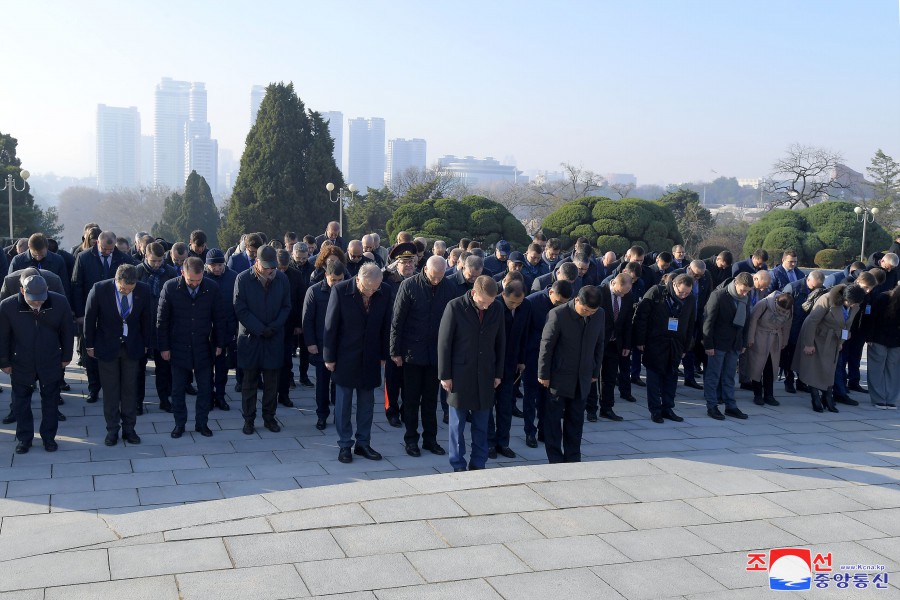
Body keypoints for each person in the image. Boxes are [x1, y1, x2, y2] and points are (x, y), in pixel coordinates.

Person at [323, 262, 391, 463]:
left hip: (370, 356)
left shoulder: (384, 291)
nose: (371, 293)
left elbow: (387, 324)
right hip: (345, 356)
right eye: (367, 288)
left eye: (375, 288)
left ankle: (363, 443)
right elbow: (330, 326)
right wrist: (329, 357)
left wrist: (384, 354)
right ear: (358, 279)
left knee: (367, 403)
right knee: (343, 403)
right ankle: (345, 444)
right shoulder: (340, 290)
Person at [390, 255, 456, 457]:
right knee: (410, 400)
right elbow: (397, 320)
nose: (436, 280)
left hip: (435, 355)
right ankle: (411, 439)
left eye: (441, 276)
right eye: (433, 276)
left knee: (430, 400)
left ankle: (430, 439)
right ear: (425, 269)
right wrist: (395, 351)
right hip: (412, 353)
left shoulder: (449, 287)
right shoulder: (409, 286)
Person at [438, 275, 505, 471]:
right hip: (459, 375)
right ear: (474, 293)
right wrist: (445, 375)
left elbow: (501, 343)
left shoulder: (497, 308)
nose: (486, 307)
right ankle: (457, 463)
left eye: (490, 303)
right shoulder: (455, 307)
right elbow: (444, 343)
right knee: (457, 425)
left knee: (481, 424)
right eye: (483, 302)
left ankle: (478, 463)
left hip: (485, 374)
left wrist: (498, 373)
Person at [0, 275, 73, 453]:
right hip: (21, 361)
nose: (37, 304)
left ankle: (49, 438)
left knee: (50, 401)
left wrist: (66, 357)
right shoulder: (8, 306)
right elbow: (3, 337)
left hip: (50, 359)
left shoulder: (60, 302)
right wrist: (4, 361)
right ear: (22, 291)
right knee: (20, 402)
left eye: (41, 300)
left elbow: (67, 332)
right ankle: (24, 439)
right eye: (32, 300)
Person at [157, 257, 225, 438]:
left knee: (205, 388)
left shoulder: (212, 288)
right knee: (178, 389)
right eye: (191, 280)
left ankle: (202, 423)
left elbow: (219, 318)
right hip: (178, 345)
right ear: (182, 273)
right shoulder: (170, 287)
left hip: (204, 346)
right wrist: (164, 347)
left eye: (198, 280)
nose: (195, 284)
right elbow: (162, 321)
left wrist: (219, 343)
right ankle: (179, 424)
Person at [84, 264, 152, 446]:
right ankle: (112, 429)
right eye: (123, 289)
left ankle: (129, 429)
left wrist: (146, 344)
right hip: (107, 346)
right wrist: (89, 345)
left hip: (132, 346)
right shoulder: (100, 289)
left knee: (130, 389)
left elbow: (147, 319)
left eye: (130, 289)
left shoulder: (143, 290)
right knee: (111, 390)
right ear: (116, 280)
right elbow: (90, 318)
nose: (126, 292)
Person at [538, 285, 604, 463]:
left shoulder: (599, 315)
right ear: (577, 300)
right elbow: (546, 346)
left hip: (582, 377)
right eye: (585, 310)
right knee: (553, 421)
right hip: (559, 377)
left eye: (592, 311)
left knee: (575, 421)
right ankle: (554, 458)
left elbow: (599, 343)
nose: (588, 314)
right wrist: (543, 374)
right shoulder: (558, 315)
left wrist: (595, 371)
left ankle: (573, 457)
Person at [234, 246, 292, 434]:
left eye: (273, 267)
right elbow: (240, 308)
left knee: (271, 382)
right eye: (266, 267)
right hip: (251, 339)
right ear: (256, 262)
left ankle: (269, 417)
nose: (270, 271)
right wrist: (259, 328)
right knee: (249, 382)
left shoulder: (282, 279)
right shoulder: (243, 279)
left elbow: (286, 307)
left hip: (273, 338)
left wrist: (273, 327)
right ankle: (248, 419)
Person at [72, 231, 133, 403]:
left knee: (113, 353)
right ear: (97, 242)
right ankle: (93, 388)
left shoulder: (124, 259)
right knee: (91, 352)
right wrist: (79, 314)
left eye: (110, 249)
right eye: (104, 249)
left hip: (116, 315)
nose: (107, 252)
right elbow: (77, 285)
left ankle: (114, 388)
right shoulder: (84, 258)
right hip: (91, 313)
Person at [633, 274, 696, 424]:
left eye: (687, 293)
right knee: (654, 378)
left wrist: (687, 346)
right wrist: (640, 340)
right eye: (681, 292)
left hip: (676, 344)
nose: (684, 295)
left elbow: (691, 323)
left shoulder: (690, 299)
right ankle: (655, 410)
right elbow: (641, 317)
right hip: (655, 342)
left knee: (671, 377)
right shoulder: (657, 292)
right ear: (673, 284)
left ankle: (667, 407)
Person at [793, 284, 865, 413]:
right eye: (852, 303)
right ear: (845, 298)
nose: (854, 306)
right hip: (817, 335)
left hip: (833, 339)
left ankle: (827, 396)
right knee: (814, 368)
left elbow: (847, 325)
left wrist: (842, 342)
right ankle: (815, 397)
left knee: (830, 369)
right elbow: (812, 321)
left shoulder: (855, 304)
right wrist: (808, 344)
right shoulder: (827, 299)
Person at [522, 280, 572, 447]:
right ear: (551, 292)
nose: (560, 306)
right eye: (558, 302)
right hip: (533, 357)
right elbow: (524, 332)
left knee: (548, 397)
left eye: (564, 304)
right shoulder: (532, 302)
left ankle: (545, 430)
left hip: (555, 359)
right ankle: (530, 432)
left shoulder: (568, 306)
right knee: (531, 396)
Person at [488, 280, 531, 459]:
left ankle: (503, 442)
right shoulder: (493, 305)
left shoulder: (526, 307)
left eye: (518, 303)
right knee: (488, 406)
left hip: (511, 364)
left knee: (506, 405)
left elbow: (524, 334)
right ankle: (489, 443)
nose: (515, 306)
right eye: (512, 302)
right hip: (492, 364)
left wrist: (521, 360)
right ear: (504, 294)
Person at [135, 242, 178, 413]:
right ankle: (138, 401)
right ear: (145, 256)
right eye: (153, 261)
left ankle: (164, 399)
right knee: (139, 367)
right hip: (141, 326)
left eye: (160, 261)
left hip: (163, 326)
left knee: (164, 367)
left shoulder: (170, 272)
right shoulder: (137, 272)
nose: (157, 264)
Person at [703, 271, 752, 421]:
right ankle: (712, 405)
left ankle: (730, 406)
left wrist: (743, 342)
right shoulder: (718, 296)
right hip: (718, 343)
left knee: (729, 376)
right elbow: (708, 322)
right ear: (736, 283)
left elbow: (746, 322)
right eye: (742, 290)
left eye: (747, 291)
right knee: (713, 376)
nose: (744, 293)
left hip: (734, 344)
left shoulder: (745, 299)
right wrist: (708, 344)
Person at [303, 260, 344, 429]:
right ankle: (322, 414)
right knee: (322, 383)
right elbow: (307, 320)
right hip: (322, 346)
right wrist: (310, 343)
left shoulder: (349, 290)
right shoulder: (314, 291)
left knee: (340, 383)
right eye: (333, 280)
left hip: (342, 346)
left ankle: (339, 413)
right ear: (326, 275)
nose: (336, 284)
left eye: (339, 280)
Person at [381, 242, 418, 426]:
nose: (409, 265)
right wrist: (386, 270)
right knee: (392, 379)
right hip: (393, 338)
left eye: (411, 261)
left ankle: (407, 410)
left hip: (413, 339)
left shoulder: (419, 280)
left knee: (409, 380)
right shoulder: (388, 281)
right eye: (404, 262)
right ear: (397, 264)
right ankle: (392, 410)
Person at [590, 274, 635, 422]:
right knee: (592, 376)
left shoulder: (628, 296)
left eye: (626, 292)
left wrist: (627, 344)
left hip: (615, 343)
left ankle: (607, 408)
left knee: (609, 377)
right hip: (596, 343)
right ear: (614, 282)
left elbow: (628, 322)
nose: (623, 295)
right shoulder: (598, 292)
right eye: (621, 291)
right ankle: (591, 408)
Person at [780, 271, 826, 394]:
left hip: (809, 328)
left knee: (804, 357)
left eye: (819, 287)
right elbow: (783, 309)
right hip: (793, 326)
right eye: (814, 287)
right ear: (808, 280)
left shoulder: (822, 290)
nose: (816, 289)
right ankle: (789, 381)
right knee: (789, 357)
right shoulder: (793, 288)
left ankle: (801, 382)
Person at [203, 249, 238, 411]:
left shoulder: (233, 277)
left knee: (222, 367)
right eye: (213, 265)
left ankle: (221, 396)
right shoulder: (201, 278)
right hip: (206, 331)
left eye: (219, 265)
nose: (217, 268)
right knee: (206, 368)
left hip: (226, 329)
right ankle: (209, 396)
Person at [746, 292, 794, 407]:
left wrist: (785, 340)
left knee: (771, 367)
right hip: (760, 336)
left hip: (775, 338)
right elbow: (753, 320)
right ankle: (757, 394)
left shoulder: (789, 307)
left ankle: (769, 395)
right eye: (781, 311)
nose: (782, 313)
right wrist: (750, 338)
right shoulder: (764, 304)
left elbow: (787, 324)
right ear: (777, 302)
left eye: (784, 312)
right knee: (757, 366)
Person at [275, 249, 303, 408]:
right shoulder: (269, 274)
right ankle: (271, 393)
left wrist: (299, 324)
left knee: (286, 362)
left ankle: (284, 394)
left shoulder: (296, 275)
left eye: (284, 268)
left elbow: (300, 300)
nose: (282, 271)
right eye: (279, 267)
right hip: (271, 327)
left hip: (288, 326)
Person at [866, 284, 900, 409]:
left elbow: (872, 318)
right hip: (896, 341)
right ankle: (891, 399)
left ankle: (878, 399)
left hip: (878, 338)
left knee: (876, 369)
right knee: (894, 371)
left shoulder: (882, 297)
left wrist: (869, 337)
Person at [8, 233, 71, 298]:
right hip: (24, 300)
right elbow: (11, 285)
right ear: (29, 248)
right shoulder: (18, 261)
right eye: (35, 255)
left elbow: (64, 286)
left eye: (41, 254)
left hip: (50, 300)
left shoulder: (58, 260)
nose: (38, 257)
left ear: (47, 248)